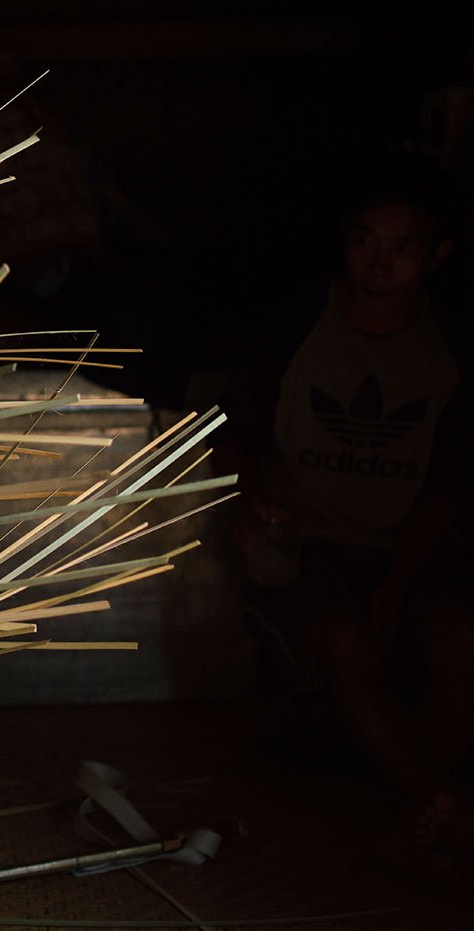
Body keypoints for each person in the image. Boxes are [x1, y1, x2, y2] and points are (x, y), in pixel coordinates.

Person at [223, 151, 473, 856]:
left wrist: (397, 583)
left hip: (407, 548)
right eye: (366, 240)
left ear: (437, 254)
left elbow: (447, 488)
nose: (380, 262)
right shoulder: (300, 322)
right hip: (310, 546)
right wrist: (255, 506)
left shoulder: (449, 343)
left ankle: (427, 802)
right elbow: (232, 435)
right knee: (343, 639)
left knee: (457, 639)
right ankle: (438, 805)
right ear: (344, 241)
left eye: (403, 247)